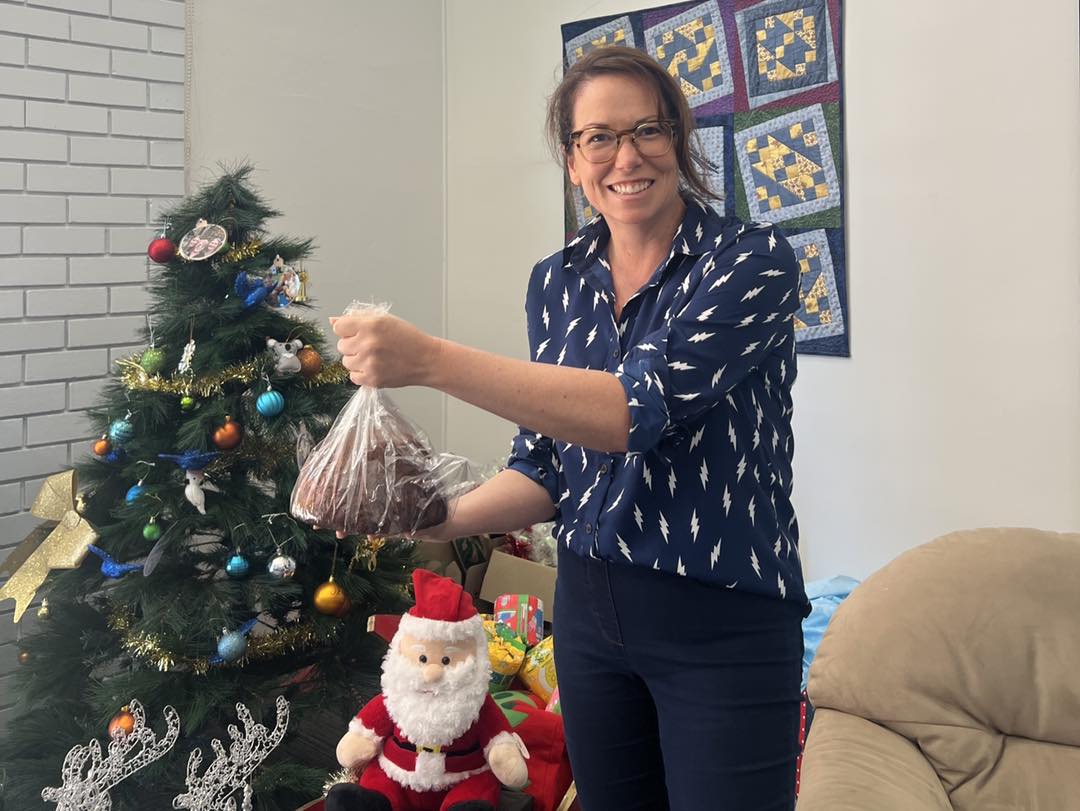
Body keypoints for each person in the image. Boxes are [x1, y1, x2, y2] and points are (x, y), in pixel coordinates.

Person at [331, 47, 808, 811]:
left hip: (722, 623)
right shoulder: (556, 282)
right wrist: (437, 518)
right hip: (589, 613)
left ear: (679, 139)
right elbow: (549, 466)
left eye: (648, 130)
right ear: (571, 156)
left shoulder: (751, 263)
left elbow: (631, 411)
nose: (627, 156)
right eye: (599, 137)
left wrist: (427, 359)